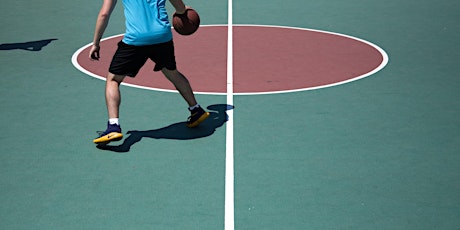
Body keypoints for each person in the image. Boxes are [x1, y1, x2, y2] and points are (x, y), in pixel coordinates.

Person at [89, 0, 209, 144]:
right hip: (162, 36)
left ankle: (113, 126)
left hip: (136, 38)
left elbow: (104, 14)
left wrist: (96, 43)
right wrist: (184, 9)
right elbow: (180, 8)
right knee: (173, 73)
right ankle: (196, 109)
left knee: (113, 80)